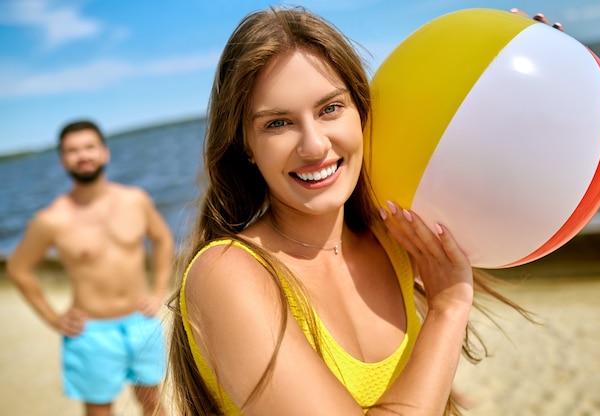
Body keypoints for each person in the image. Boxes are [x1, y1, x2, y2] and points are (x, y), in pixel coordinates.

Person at [167, 6, 559, 415]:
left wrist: (531, 74)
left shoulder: (394, 233)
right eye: (278, 123)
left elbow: (500, 173)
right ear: (245, 144)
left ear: (361, 111)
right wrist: (447, 309)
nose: (314, 145)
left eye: (330, 109)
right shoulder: (228, 273)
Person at [7, 120, 173, 416]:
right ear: (63, 160)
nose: (83, 155)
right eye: (72, 150)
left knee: (153, 403)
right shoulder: (52, 219)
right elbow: (18, 268)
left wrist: (159, 290)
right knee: (99, 412)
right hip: (91, 331)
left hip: (140, 322)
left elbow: (162, 239)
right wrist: (53, 318)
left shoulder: (135, 200)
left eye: (89, 147)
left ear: (104, 152)